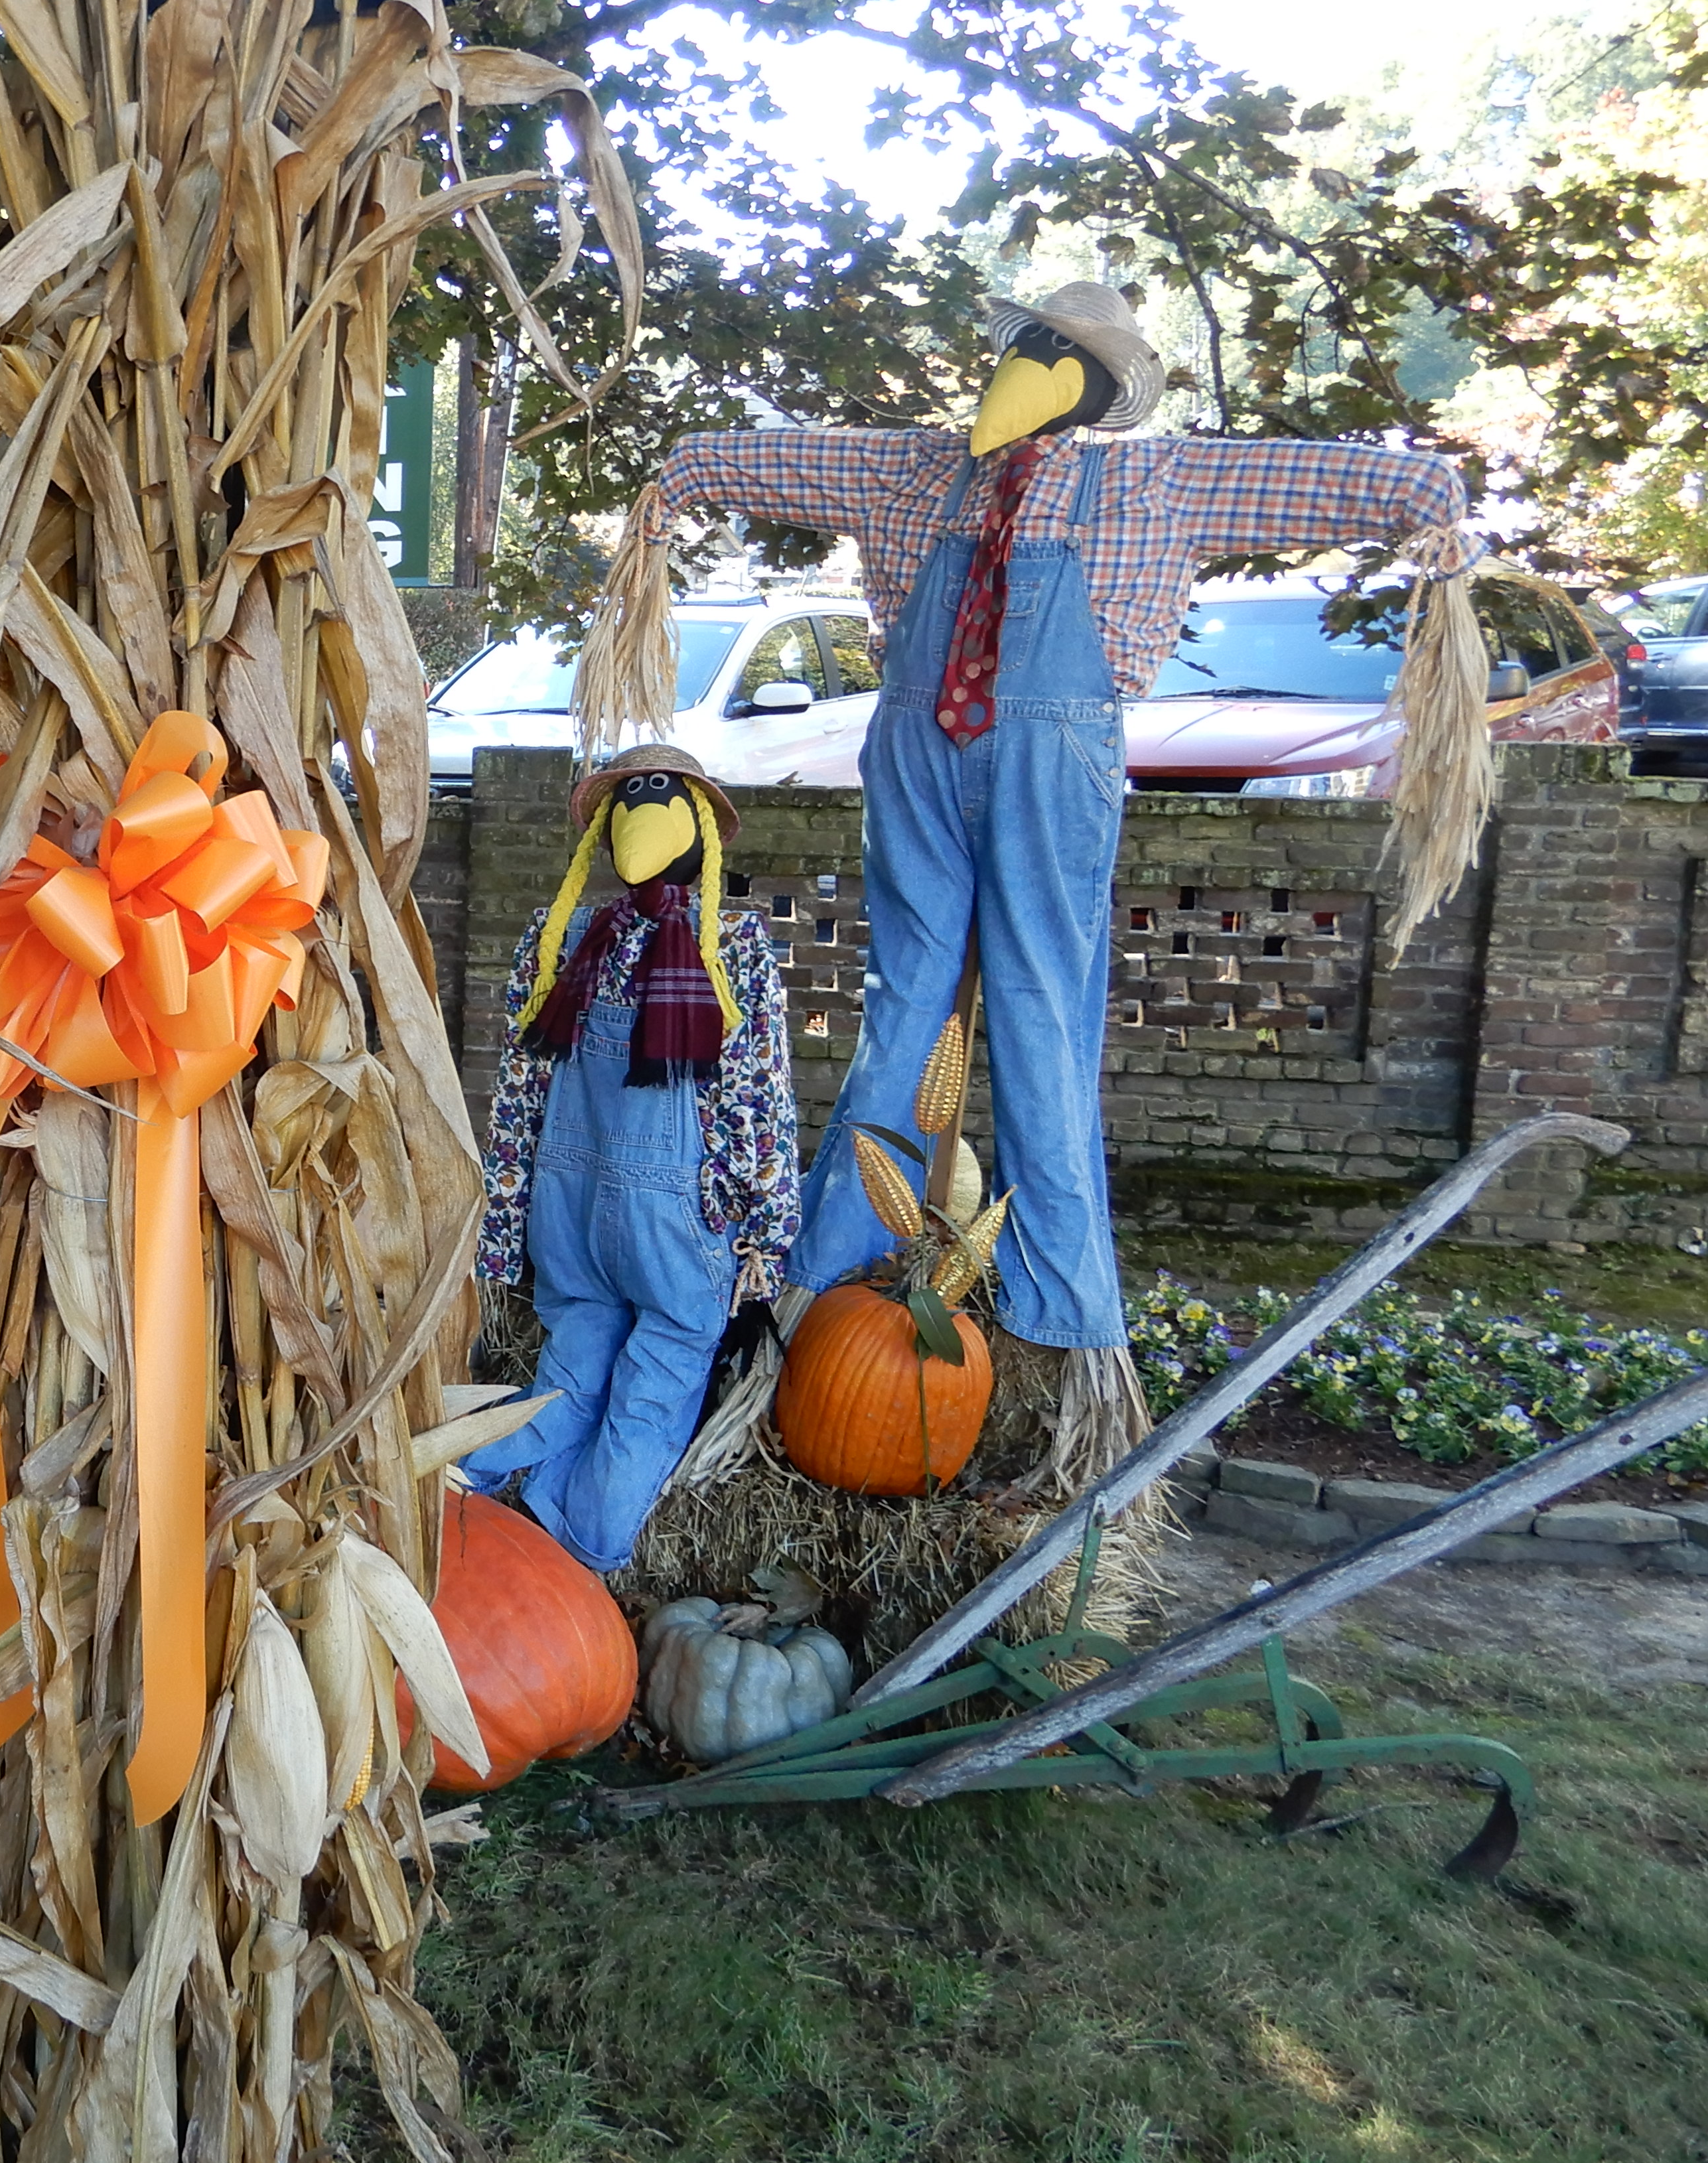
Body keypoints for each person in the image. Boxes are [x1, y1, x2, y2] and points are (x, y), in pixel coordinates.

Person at [642, 278, 1474, 1462]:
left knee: (1043, 1015)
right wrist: (676, 481)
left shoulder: (1155, 480)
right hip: (916, 747)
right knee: (901, 1009)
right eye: (1026, 345)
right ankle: (830, 1286)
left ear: (1095, 389)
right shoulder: (906, 467)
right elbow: (766, 460)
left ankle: (1060, 1325)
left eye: (1056, 355)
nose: (1028, 366)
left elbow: (1315, 478)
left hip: (1058, 751)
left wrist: (1428, 508)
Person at [471, 742, 799, 1570]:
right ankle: (584, 1552)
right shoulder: (732, 947)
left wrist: (503, 1226)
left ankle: (473, 1482)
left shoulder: (561, 938)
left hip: (567, 1206)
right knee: (658, 1378)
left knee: (571, 1363)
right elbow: (757, 1101)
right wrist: (765, 1235)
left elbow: (520, 1090)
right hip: (676, 1221)